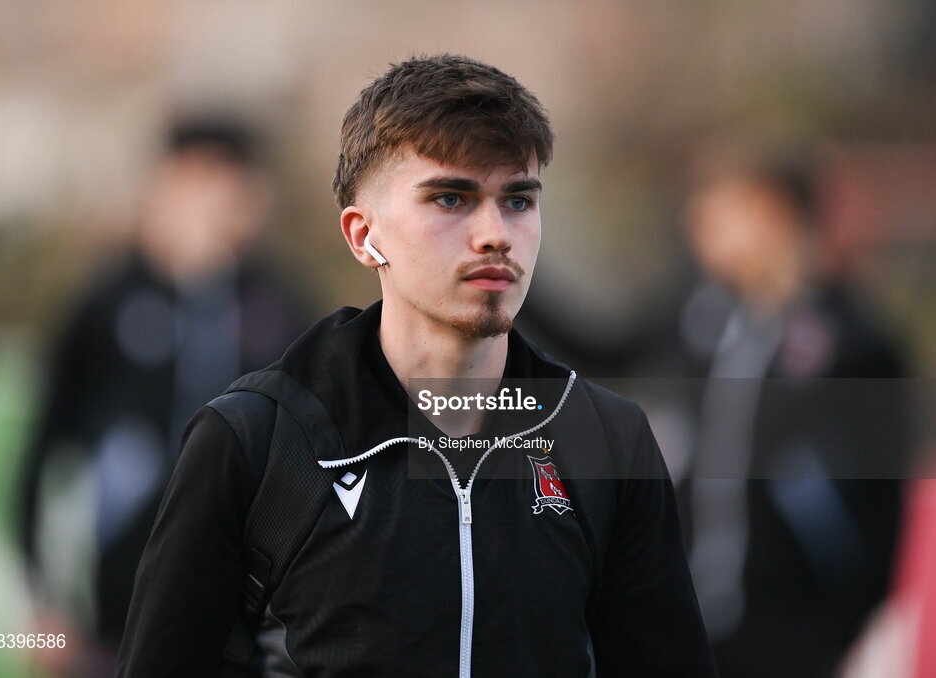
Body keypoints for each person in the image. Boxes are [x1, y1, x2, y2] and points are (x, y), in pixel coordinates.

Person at [116, 55, 717, 677]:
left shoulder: (606, 441)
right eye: (451, 198)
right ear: (362, 235)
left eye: (517, 200)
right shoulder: (256, 442)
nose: (494, 234)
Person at [18, 117, 313, 675]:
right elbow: (40, 451)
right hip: (110, 610)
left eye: (236, 184)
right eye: (203, 182)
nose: (222, 202)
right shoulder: (106, 301)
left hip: (243, 616)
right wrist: (41, 606)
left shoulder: (280, 304)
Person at [671, 155, 908, 677]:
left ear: (770, 215)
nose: (697, 227)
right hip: (697, 614)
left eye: (718, 212)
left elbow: (881, 503)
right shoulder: (709, 320)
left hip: (792, 628)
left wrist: (843, 625)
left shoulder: (854, 343)